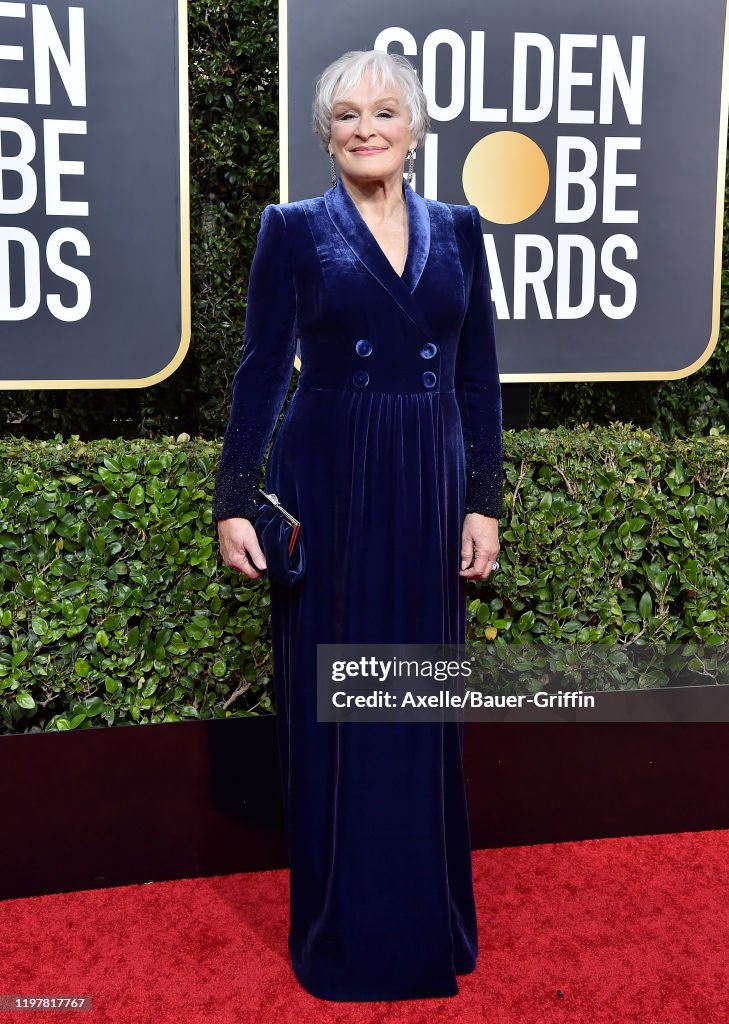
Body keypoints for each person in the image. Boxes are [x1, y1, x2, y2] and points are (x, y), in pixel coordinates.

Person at [212, 49, 503, 1001]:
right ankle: (342, 931)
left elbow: (475, 376)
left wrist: (482, 499)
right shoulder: (290, 229)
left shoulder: (460, 229)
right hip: (328, 483)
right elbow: (260, 369)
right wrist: (235, 501)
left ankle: (427, 924)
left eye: (384, 111)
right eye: (346, 115)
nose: (366, 128)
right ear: (325, 133)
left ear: (415, 128)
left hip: (426, 484)